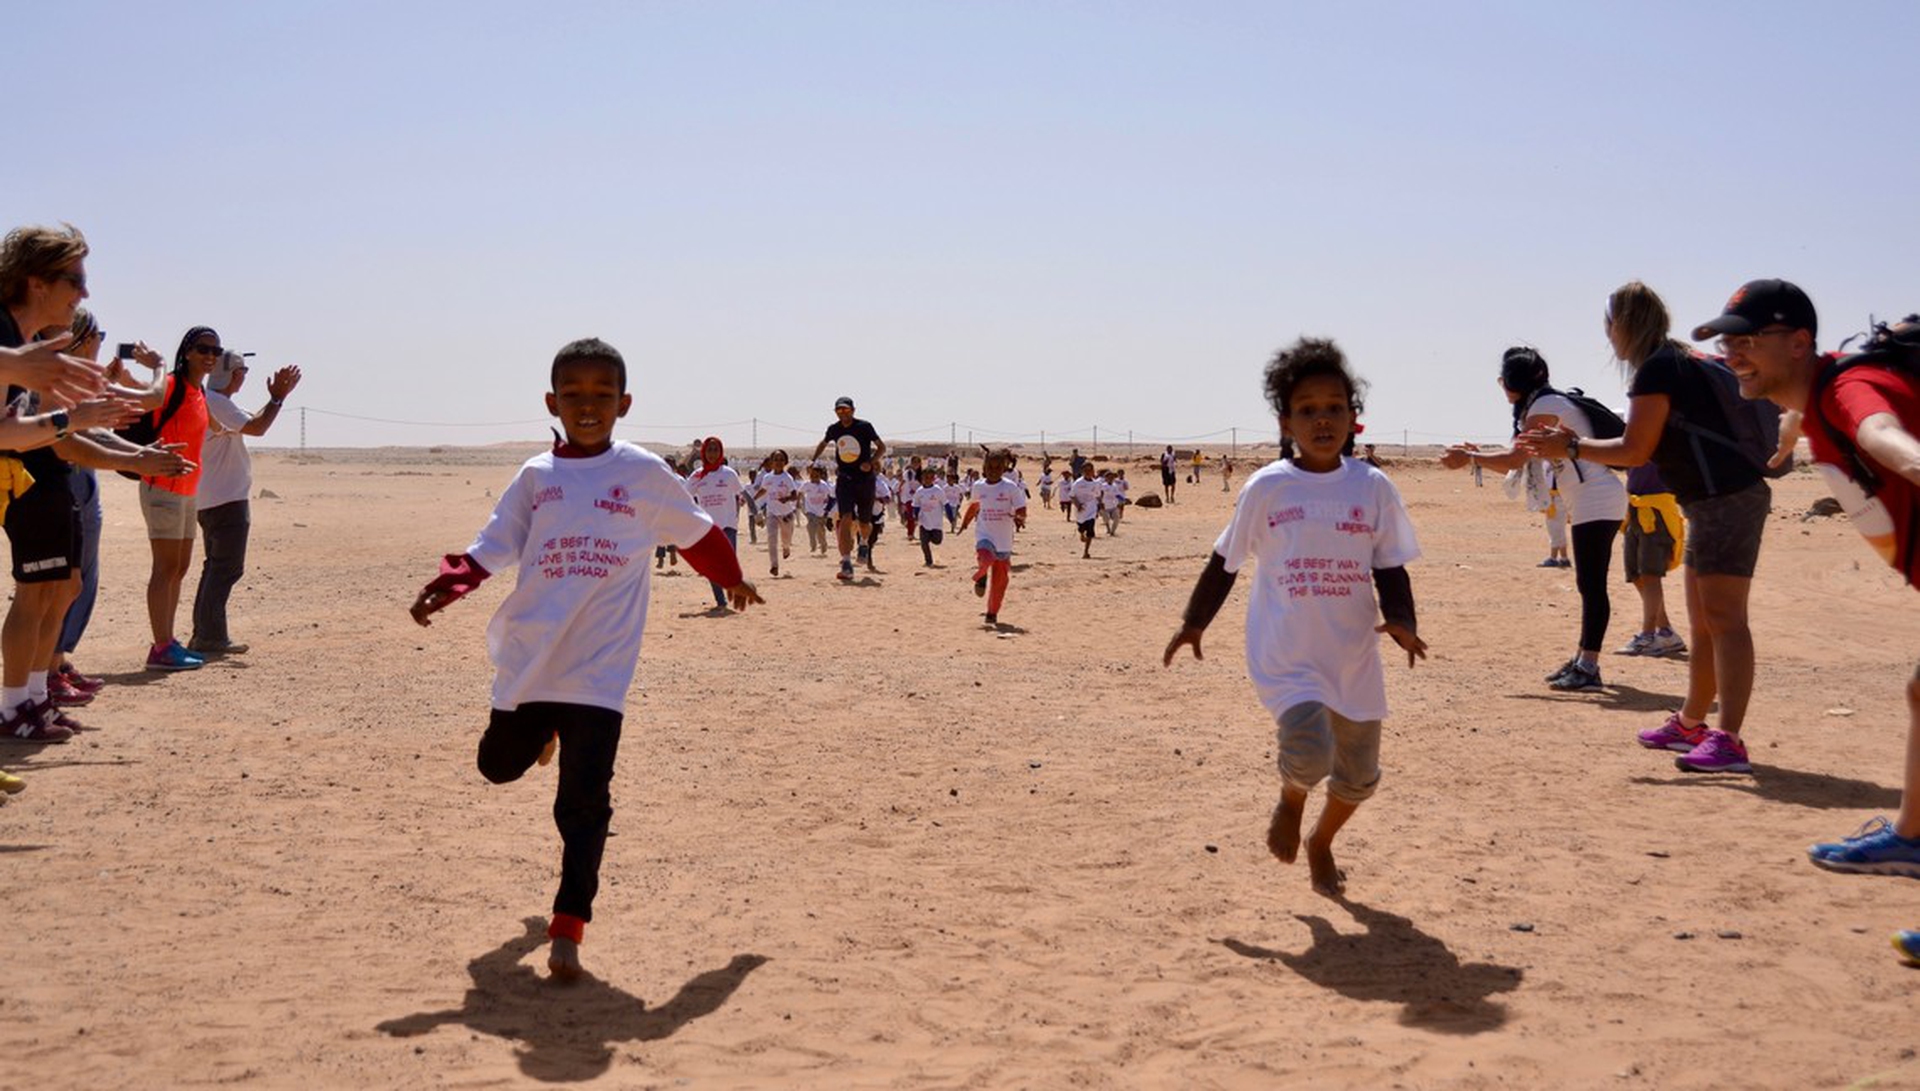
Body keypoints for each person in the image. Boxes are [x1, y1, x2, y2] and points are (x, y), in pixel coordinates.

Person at [410, 337, 761, 981]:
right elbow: (494, 545)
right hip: (533, 659)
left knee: (583, 803)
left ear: (624, 403)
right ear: (553, 401)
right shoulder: (537, 478)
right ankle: (539, 734)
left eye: (602, 395)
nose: (588, 406)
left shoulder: (644, 473)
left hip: (601, 670)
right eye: (573, 395)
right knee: (496, 767)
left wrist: (732, 576)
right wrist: (447, 586)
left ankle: (568, 926)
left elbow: (698, 534)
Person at [1164, 337, 1424, 898]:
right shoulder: (1269, 487)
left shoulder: (1373, 487)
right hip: (1287, 651)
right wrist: (1194, 622)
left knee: (1358, 778)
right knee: (1308, 753)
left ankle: (1321, 842)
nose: (1322, 419)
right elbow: (1225, 560)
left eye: (1334, 408)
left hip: (1352, 651)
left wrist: (1403, 619)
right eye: (1307, 410)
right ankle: (1290, 798)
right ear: (1286, 421)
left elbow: (1390, 565)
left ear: (1354, 419)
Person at [1709, 295, 1920, 962]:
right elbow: (1814, 406)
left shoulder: (1851, 391)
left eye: (1746, 340)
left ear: (1798, 342)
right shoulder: (1820, 389)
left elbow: (1880, 432)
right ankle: (1911, 839)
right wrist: (1792, 428)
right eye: (1726, 343)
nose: (1732, 353)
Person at [1521, 282, 1776, 772]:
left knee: (1725, 621)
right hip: (1710, 501)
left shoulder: (1658, 369)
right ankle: (1691, 723)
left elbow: (1634, 450)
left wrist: (1570, 448)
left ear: (1622, 326)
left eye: (1609, 323)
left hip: (1727, 500)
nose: (1607, 333)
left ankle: (1730, 739)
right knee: (1703, 622)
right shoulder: (1675, 361)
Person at [0, 228, 155, 740]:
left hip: (27, 477)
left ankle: (29, 703)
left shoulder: (21, 345)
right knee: (37, 593)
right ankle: (12, 707)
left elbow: (7, 431)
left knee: (59, 589)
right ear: (37, 282)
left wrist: (73, 418)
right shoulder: (11, 339)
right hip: (30, 489)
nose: (84, 295)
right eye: (75, 280)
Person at [1443, 347, 1627, 690]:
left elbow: (1513, 459)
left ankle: (1589, 666)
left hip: (1596, 498)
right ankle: (1581, 659)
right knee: (1588, 584)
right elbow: (1517, 457)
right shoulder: (1544, 404)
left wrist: (1469, 457)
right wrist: (1476, 454)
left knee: (1592, 585)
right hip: (1592, 498)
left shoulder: (1544, 407)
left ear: (1510, 383)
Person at [49, 310, 193, 701]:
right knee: (60, 583)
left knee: (80, 581)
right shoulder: (56, 380)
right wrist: (160, 365)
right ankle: (40, 676)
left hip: (85, 479)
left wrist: (139, 453)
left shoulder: (84, 380)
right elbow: (150, 399)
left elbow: (98, 426)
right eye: (99, 335)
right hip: (63, 483)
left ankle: (57, 663)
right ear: (80, 340)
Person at [189, 350, 300, 656]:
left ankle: (205, 633)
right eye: (242, 371)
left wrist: (275, 400)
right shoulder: (218, 402)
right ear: (233, 374)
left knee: (215, 567)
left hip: (211, 498)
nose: (243, 377)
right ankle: (210, 637)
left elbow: (251, 421)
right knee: (226, 568)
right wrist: (277, 398)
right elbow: (258, 427)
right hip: (226, 499)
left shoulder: (212, 400)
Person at [140, 327, 225, 671]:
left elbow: (220, 427)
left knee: (179, 567)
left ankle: (168, 641)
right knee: (164, 568)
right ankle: (160, 647)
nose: (210, 356)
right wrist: (153, 369)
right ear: (187, 351)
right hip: (162, 485)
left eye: (215, 351)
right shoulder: (172, 386)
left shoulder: (198, 392)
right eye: (203, 349)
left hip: (189, 490)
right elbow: (144, 400)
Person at [810, 396, 885, 582]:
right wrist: (813, 459)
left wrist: (871, 462)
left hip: (865, 480)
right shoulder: (834, 429)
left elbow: (882, 447)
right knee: (845, 518)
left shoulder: (864, 427)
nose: (843, 413)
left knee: (865, 523)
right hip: (845, 479)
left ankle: (864, 543)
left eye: (846, 409)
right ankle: (846, 563)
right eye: (839, 410)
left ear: (853, 410)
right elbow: (823, 442)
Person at [1618, 462, 1687, 656]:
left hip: (1657, 508)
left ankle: (1648, 634)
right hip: (1634, 505)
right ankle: (1665, 631)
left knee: (1650, 574)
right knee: (1637, 575)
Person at [960, 449, 1027, 626]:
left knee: (1000, 582)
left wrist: (1020, 518)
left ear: (1004, 468)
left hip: (1004, 541)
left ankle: (992, 612)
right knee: (985, 556)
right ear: (984, 467)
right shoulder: (978, 486)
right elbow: (974, 506)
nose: (994, 470)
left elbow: (1021, 507)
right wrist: (965, 522)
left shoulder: (1010, 487)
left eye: (998, 467)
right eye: (990, 466)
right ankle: (981, 576)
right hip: (985, 535)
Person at [685, 436, 744, 610]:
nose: (712, 454)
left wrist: (755, 512)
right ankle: (720, 601)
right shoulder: (696, 476)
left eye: (715, 450)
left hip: (728, 525)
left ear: (721, 452)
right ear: (703, 453)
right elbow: (683, 495)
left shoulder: (728, 473)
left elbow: (742, 492)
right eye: (709, 450)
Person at [753, 449, 798, 578]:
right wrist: (753, 498)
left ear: (785, 462)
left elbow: (795, 496)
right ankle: (774, 565)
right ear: (771, 462)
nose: (778, 462)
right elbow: (763, 490)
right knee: (771, 538)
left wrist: (787, 499)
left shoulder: (787, 478)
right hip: (771, 512)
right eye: (776, 459)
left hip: (786, 514)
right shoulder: (768, 477)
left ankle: (786, 548)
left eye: (781, 459)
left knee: (786, 538)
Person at [1066, 460, 1105, 559]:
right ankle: (1081, 532)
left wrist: (1100, 504)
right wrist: (1078, 505)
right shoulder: (1078, 483)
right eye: (1086, 470)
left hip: (1091, 509)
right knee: (1081, 527)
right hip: (1081, 511)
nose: (1088, 472)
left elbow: (1097, 495)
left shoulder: (1096, 483)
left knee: (1090, 531)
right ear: (1082, 471)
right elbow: (1072, 496)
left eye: (1090, 470)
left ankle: (1086, 552)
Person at [913, 467, 947, 567]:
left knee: (937, 541)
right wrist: (915, 516)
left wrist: (950, 516)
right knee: (924, 542)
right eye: (925, 477)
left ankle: (931, 537)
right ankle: (928, 561)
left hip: (936, 522)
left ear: (933, 478)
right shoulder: (919, 491)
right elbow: (916, 505)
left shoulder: (938, 490)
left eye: (930, 477)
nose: (927, 479)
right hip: (924, 520)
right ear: (922, 478)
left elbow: (946, 503)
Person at [799, 463, 833, 556]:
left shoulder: (824, 486)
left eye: (816, 476)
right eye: (812, 475)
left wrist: (827, 508)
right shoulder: (806, 484)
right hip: (810, 510)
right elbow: (800, 492)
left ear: (820, 475)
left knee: (820, 529)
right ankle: (813, 544)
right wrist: (799, 502)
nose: (813, 478)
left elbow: (830, 496)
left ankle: (823, 544)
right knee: (810, 526)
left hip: (821, 511)